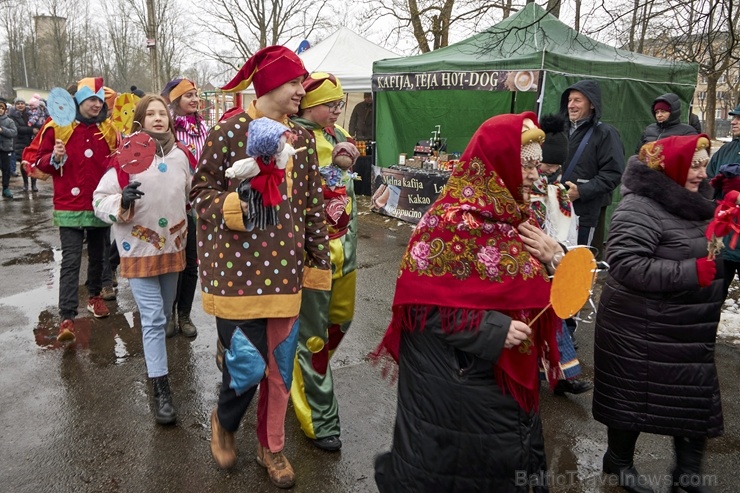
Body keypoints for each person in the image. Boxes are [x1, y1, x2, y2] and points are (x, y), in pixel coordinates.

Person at [373, 112, 564, 493]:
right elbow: (419, 310)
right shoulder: (445, 223)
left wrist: (555, 258)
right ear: (494, 165)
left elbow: (540, 291)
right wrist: (492, 330)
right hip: (456, 394)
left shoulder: (518, 218)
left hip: (507, 391)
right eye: (525, 164)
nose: (534, 175)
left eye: (536, 165)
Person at [192, 46, 331, 489]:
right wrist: (232, 206)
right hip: (236, 274)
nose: (300, 91)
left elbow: (312, 205)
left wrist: (318, 260)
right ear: (269, 85)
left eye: (302, 84)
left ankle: (271, 447)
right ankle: (224, 419)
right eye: (294, 83)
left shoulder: (304, 140)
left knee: (280, 370)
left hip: (287, 274)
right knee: (248, 368)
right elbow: (199, 194)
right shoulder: (228, 131)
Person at [593, 134, 722, 493]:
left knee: (695, 401)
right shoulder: (639, 206)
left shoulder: (698, 199)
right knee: (631, 397)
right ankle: (618, 461)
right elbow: (625, 263)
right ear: (671, 166)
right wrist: (691, 273)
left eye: (704, 163)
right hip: (640, 325)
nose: (701, 172)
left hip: (688, 325)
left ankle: (688, 476)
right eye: (694, 164)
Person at [93, 94, 194, 425]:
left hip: (173, 248)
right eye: (150, 113)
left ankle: (158, 368)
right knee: (151, 318)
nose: (157, 118)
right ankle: (160, 387)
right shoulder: (124, 158)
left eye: (162, 112)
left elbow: (192, 195)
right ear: (139, 119)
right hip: (138, 250)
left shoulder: (182, 156)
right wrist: (121, 199)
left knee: (164, 316)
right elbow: (100, 200)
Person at [290, 73, 359, 452]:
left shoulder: (338, 134)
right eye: (329, 105)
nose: (336, 111)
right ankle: (320, 419)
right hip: (312, 257)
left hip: (346, 255)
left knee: (341, 322)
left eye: (338, 104)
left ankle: (289, 371)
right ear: (307, 105)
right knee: (312, 338)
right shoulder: (295, 140)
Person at [34, 77, 118, 341]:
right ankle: (67, 316)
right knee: (71, 261)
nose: (96, 104)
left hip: (98, 204)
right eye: (91, 99)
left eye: (99, 100)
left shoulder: (109, 130)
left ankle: (94, 297)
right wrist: (54, 157)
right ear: (79, 101)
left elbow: (119, 164)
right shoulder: (57, 128)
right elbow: (38, 160)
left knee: (98, 256)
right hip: (68, 205)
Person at [529, 113, 591, 396]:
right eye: (544, 165)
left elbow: (567, 226)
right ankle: (550, 374)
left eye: (554, 166)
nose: (547, 171)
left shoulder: (559, 192)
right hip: (530, 259)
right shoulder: (526, 185)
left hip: (553, 259)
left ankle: (561, 375)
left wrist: (561, 256)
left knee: (556, 316)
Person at [161, 77, 208, 338]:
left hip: (197, 202)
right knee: (172, 263)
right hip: (173, 202)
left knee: (192, 262)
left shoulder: (202, 128)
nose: (194, 99)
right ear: (176, 99)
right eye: (188, 95)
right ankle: (168, 314)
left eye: (195, 95)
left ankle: (185, 315)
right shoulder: (167, 126)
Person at [559, 80, 625, 249]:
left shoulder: (605, 134)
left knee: (577, 263)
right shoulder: (559, 130)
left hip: (585, 213)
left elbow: (613, 173)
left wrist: (581, 191)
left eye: (577, 100)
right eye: (569, 100)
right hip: (556, 211)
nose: (571, 105)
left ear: (592, 105)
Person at [707, 104, 740, 297]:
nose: (733, 122)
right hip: (724, 239)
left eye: (738, 119)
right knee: (714, 297)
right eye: (734, 118)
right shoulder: (725, 150)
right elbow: (708, 181)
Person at [8, 97, 39, 192]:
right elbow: (17, 128)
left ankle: (34, 183)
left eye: (22, 103)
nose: (20, 105)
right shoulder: (12, 116)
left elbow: (36, 123)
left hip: (32, 141)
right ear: (15, 105)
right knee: (23, 164)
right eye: (18, 103)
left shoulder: (31, 113)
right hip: (20, 143)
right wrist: (31, 130)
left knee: (33, 162)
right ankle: (26, 183)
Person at [0, 100, 18, 198]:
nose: (0, 110)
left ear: (5, 110)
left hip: (6, 149)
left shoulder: (9, 121)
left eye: (2, 108)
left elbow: (14, 132)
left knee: (6, 170)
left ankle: (6, 188)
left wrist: (3, 130)